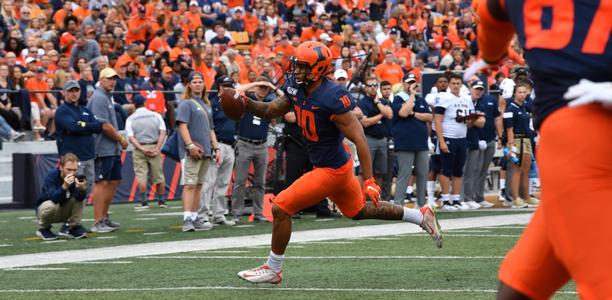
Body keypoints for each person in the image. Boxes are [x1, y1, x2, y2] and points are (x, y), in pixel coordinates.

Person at [233, 41, 442, 284]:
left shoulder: (332, 96)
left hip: (331, 169)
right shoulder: (296, 87)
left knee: (280, 207)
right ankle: (420, 216)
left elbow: (360, 138)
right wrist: (245, 102)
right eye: (296, 67)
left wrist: (370, 180)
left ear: (318, 69)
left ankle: (273, 267)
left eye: (302, 68)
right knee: (359, 211)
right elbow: (270, 110)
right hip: (333, 164)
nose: (297, 72)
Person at [471, 0, 612, 298]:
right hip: (584, 138)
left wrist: (492, 53)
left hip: (582, 138)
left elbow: (492, 18)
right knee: (520, 284)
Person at [230, 76, 280, 224]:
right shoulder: (247, 99)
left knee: (260, 182)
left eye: (265, 88)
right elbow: (235, 91)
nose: (263, 90)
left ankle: (258, 213)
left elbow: (287, 99)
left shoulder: (269, 103)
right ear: (255, 87)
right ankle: (236, 213)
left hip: (262, 145)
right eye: (261, 87)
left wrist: (272, 86)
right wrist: (256, 83)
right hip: (245, 144)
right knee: (240, 180)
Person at [176, 72, 221, 232]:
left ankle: (195, 218)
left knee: (198, 185)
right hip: (192, 151)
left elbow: (210, 129)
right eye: (194, 82)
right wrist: (190, 145)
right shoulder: (186, 103)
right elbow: (182, 126)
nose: (197, 84)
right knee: (189, 184)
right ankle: (187, 218)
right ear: (189, 84)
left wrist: (216, 148)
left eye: (200, 81)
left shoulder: (206, 104)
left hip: (206, 151)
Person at [434, 73, 485, 211]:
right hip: (449, 137)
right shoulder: (445, 98)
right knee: (446, 169)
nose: (456, 86)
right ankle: (445, 200)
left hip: (462, 138)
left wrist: (471, 120)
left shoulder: (466, 100)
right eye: (453, 83)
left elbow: (468, 123)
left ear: (461, 85)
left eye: (458, 83)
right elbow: (437, 120)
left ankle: (455, 198)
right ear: (449, 85)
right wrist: (442, 141)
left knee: (458, 170)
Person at [86, 68, 129, 233]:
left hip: (111, 148)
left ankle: (104, 217)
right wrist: (120, 139)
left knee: (114, 181)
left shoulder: (107, 97)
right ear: (101, 80)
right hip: (102, 147)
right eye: (109, 79)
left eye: (114, 79)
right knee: (102, 182)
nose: (113, 81)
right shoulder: (99, 98)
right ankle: (97, 221)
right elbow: (103, 125)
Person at [198, 76, 237, 226]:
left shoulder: (234, 103)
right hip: (217, 145)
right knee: (209, 182)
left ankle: (219, 214)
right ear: (219, 86)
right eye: (224, 85)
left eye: (229, 85)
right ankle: (203, 215)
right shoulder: (212, 104)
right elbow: (208, 128)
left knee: (224, 183)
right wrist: (213, 146)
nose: (226, 88)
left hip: (231, 145)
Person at [54, 80, 103, 194]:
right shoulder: (62, 110)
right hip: (71, 159)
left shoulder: (85, 110)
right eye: (70, 91)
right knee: (73, 190)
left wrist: (82, 125)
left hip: (89, 155)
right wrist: (87, 127)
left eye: (76, 91)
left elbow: (98, 127)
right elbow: (72, 127)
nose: (74, 93)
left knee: (88, 188)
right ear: (64, 93)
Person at [391, 75, 432, 207]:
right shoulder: (398, 98)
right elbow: (403, 113)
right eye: (409, 83)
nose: (411, 85)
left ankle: (420, 204)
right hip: (405, 142)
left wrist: (414, 114)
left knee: (422, 173)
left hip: (421, 142)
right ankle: (398, 204)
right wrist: (412, 97)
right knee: (404, 174)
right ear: (403, 84)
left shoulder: (421, 100)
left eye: (413, 82)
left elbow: (429, 116)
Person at [461, 80, 500, 209]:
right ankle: (467, 197)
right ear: (470, 89)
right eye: (476, 88)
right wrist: (475, 120)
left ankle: (479, 197)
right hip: (471, 140)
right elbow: (474, 122)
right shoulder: (465, 100)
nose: (478, 91)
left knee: (482, 170)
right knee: (470, 170)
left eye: (480, 89)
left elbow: (496, 118)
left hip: (488, 139)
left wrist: (500, 136)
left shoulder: (489, 100)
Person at [125, 95, 167, 209]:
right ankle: (162, 201)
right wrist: (157, 148)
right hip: (154, 146)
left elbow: (131, 137)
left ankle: (144, 202)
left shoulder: (131, 118)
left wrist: (141, 148)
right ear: (145, 102)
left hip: (140, 148)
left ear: (134, 105)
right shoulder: (155, 115)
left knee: (141, 176)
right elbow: (163, 132)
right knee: (159, 176)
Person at [35, 153, 88, 240]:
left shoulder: (76, 178)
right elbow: (54, 198)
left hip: (63, 210)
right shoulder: (51, 176)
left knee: (80, 198)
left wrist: (82, 189)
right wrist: (64, 186)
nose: (72, 173)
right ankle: (43, 228)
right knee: (50, 205)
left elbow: (79, 199)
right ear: (60, 167)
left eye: (75, 170)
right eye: (69, 169)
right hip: (46, 211)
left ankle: (73, 227)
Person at [357, 76, 393, 187]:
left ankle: (376, 199)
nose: (373, 88)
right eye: (370, 86)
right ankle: (359, 199)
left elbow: (390, 115)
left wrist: (378, 104)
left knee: (379, 172)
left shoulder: (381, 101)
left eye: (375, 85)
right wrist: (381, 114)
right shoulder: (362, 103)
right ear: (365, 88)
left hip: (382, 140)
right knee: (364, 172)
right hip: (368, 139)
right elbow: (365, 123)